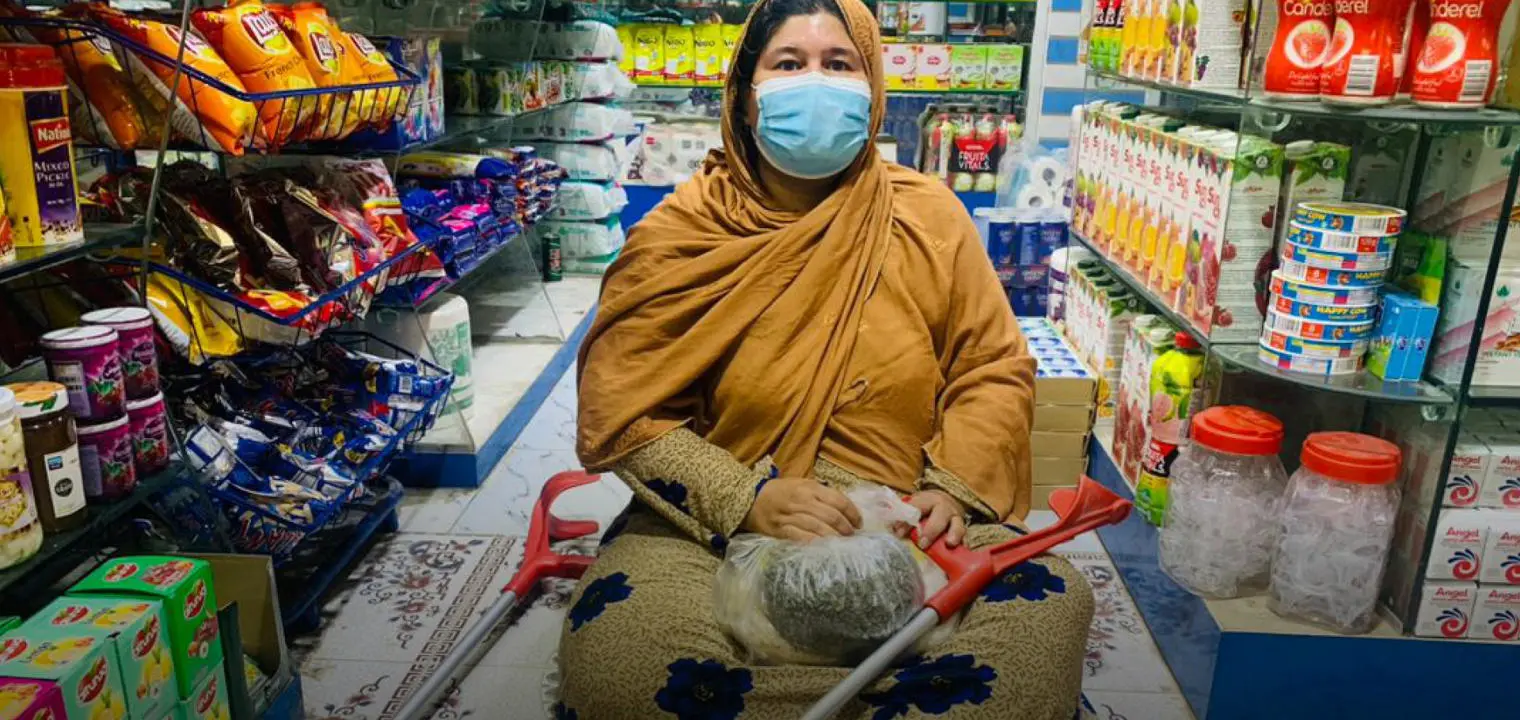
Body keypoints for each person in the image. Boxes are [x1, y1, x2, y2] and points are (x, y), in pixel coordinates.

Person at [559, 0, 1094, 715]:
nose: (816, 81)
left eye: (838, 64)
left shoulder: (929, 215)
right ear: (745, 97)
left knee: (1051, 605)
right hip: (720, 519)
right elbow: (626, 413)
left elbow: (991, 368)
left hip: (906, 509)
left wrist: (952, 492)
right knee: (622, 664)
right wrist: (746, 500)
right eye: (789, 64)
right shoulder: (680, 235)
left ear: (871, 87)